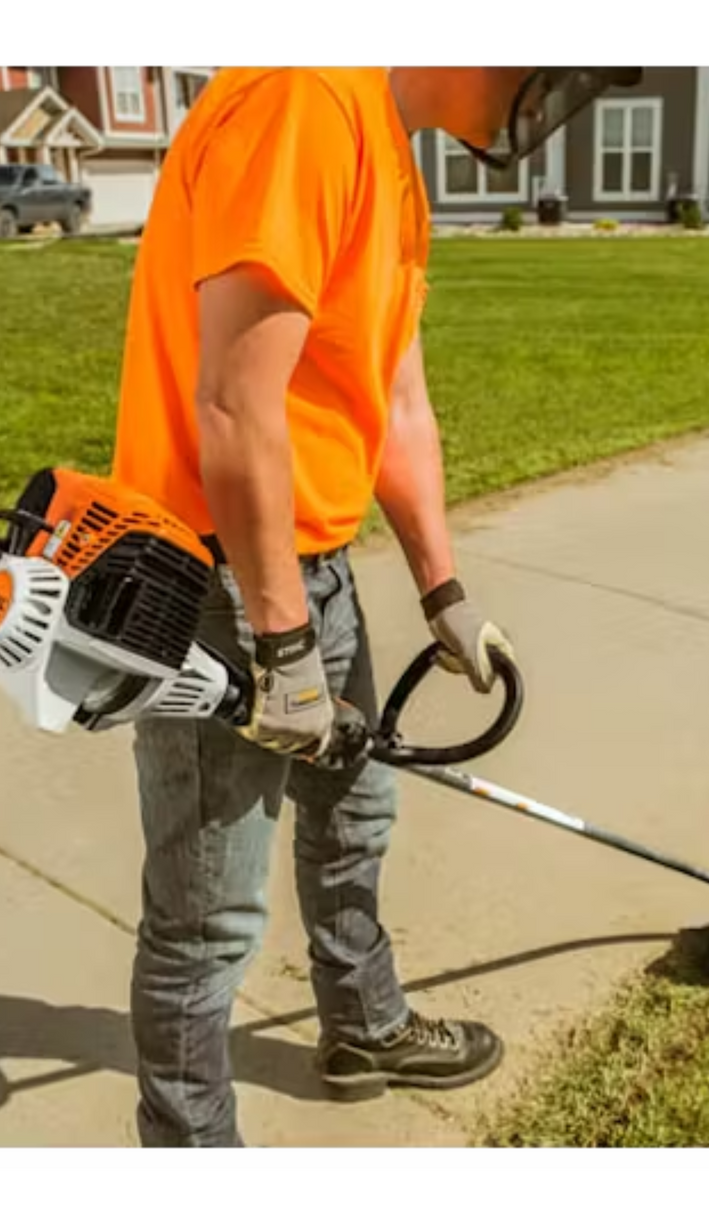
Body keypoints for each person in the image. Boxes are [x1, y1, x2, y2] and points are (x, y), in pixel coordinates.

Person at [109, 66, 643, 1148]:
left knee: (354, 812)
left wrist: (442, 589)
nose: (557, 95)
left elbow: (391, 396)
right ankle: (187, 1147)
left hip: (305, 561)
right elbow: (231, 402)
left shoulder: (388, 155)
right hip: (219, 577)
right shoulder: (303, 97)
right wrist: (280, 643)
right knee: (206, 912)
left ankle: (361, 1022)